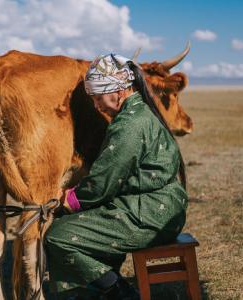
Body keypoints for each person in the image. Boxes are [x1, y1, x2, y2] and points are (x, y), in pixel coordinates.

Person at [45, 54, 188, 299]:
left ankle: (118, 291)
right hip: (160, 206)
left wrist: (65, 199)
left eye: (98, 98)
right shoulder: (139, 113)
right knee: (88, 223)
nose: (96, 106)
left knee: (58, 236)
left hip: (151, 212)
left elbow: (102, 184)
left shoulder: (129, 126)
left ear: (119, 91)